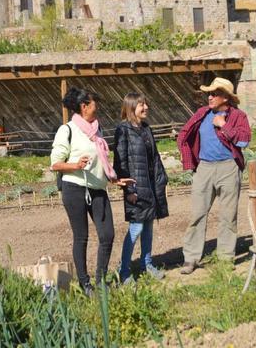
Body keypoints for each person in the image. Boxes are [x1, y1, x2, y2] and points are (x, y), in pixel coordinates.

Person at [50, 87, 133, 294]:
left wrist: (114, 179)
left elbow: (101, 163)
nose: (98, 107)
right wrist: (75, 165)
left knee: (107, 235)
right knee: (81, 237)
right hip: (74, 188)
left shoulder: (97, 130)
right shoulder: (67, 130)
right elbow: (55, 164)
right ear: (84, 106)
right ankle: (85, 283)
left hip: (97, 189)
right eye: (94, 103)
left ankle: (101, 279)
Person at [176, 77, 251, 274]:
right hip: (205, 168)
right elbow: (184, 134)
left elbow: (244, 141)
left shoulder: (238, 116)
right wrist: (190, 160)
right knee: (197, 214)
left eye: (214, 93)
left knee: (228, 215)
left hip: (229, 168)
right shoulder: (202, 114)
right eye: (209, 93)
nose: (209, 97)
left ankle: (225, 259)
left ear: (226, 97)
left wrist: (223, 126)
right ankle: (191, 258)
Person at [113, 92, 169, 284]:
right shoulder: (123, 130)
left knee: (148, 229)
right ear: (131, 108)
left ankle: (147, 264)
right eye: (141, 105)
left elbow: (155, 158)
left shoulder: (146, 129)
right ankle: (124, 270)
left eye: (146, 104)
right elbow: (120, 163)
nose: (145, 108)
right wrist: (129, 191)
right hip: (136, 189)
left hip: (150, 188)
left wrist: (161, 182)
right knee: (135, 229)